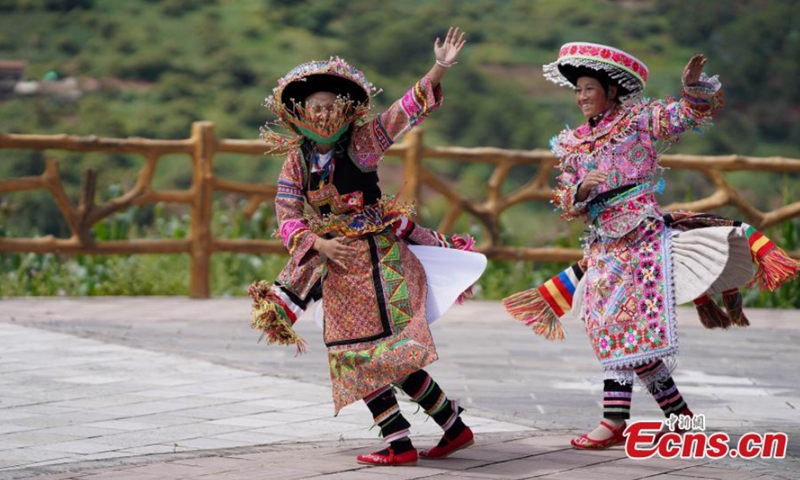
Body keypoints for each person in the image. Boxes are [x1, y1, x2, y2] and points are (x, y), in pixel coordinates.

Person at [503, 42, 798, 449]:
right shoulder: (572, 143)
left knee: (617, 326)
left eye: (589, 88)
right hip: (603, 244)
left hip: (641, 237)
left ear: (611, 90)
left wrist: (692, 88)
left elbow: (690, 114)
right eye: (578, 90)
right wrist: (579, 193)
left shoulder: (640, 119)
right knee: (616, 329)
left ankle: (615, 421)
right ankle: (679, 417)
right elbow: (566, 203)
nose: (582, 97)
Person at [253, 27, 485, 466]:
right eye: (314, 107)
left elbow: (404, 111)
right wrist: (318, 242)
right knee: (366, 353)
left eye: (330, 106)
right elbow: (286, 213)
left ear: (345, 109)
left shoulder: (362, 144)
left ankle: (401, 443)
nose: (322, 115)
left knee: (370, 351)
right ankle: (451, 426)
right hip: (337, 267)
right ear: (299, 112)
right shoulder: (296, 159)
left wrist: (440, 67)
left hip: (380, 262)